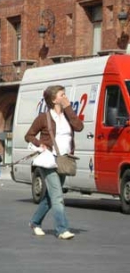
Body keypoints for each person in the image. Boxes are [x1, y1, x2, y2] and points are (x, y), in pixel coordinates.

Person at [25, 85, 83, 240]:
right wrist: (39, 144)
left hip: (64, 160)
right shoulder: (43, 118)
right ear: (53, 99)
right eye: (62, 95)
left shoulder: (67, 115)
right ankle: (62, 229)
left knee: (51, 197)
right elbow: (29, 135)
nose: (65, 97)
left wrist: (69, 108)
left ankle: (35, 222)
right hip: (48, 160)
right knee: (57, 196)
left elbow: (79, 127)